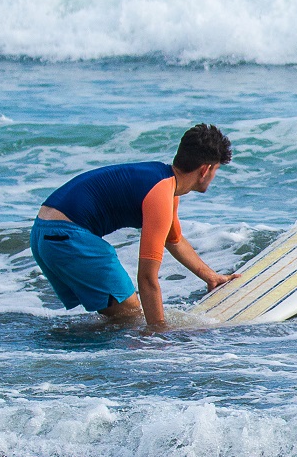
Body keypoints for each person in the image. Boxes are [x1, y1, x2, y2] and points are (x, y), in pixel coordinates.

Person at [29, 123, 241, 326]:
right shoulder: (160, 193)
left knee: (119, 317)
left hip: (44, 234)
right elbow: (147, 278)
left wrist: (211, 277)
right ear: (205, 170)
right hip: (66, 237)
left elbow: (173, 240)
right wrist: (159, 333)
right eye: (216, 170)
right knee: (129, 315)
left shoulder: (164, 182)